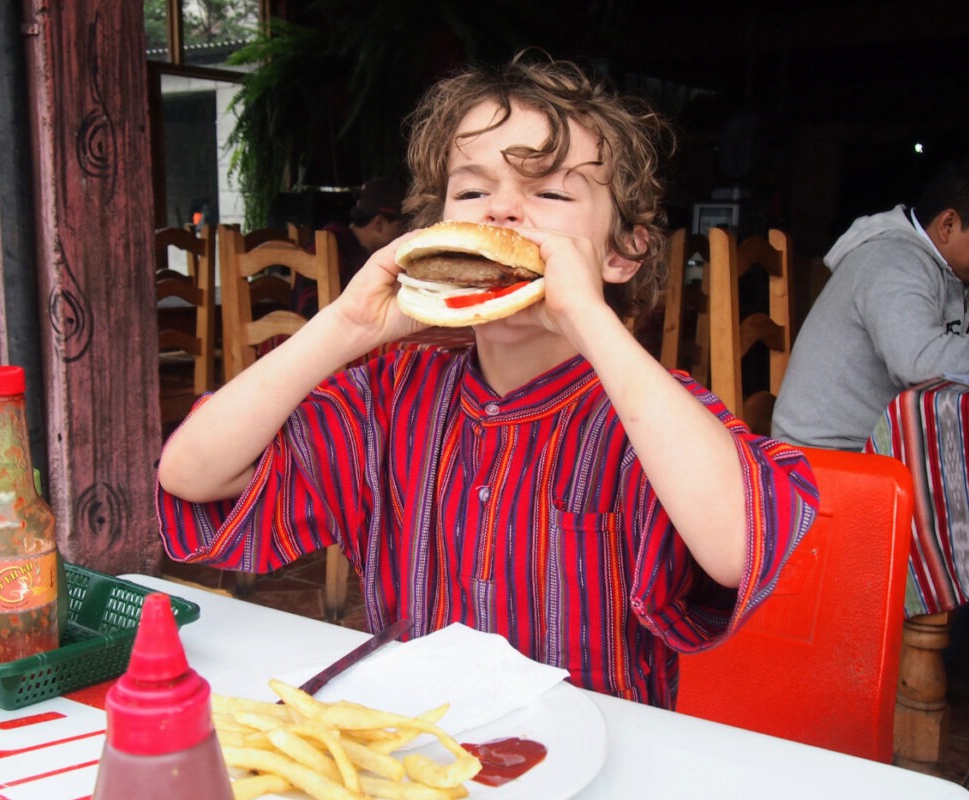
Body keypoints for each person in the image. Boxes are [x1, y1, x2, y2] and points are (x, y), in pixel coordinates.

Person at [156, 53, 817, 708]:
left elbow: (736, 547)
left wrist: (587, 316)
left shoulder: (651, 416)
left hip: (603, 761)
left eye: (551, 192)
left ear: (621, 252)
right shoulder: (387, 399)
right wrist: (347, 325)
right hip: (422, 748)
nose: (501, 210)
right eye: (472, 191)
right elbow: (192, 474)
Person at [773, 155, 969, 451]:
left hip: (879, 446)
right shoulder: (892, 262)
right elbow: (918, 363)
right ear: (948, 224)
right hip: (825, 457)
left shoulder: (954, 269)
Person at [291, 176, 408, 317]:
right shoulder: (330, 247)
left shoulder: (363, 251)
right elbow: (311, 312)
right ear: (379, 224)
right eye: (401, 226)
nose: (405, 233)